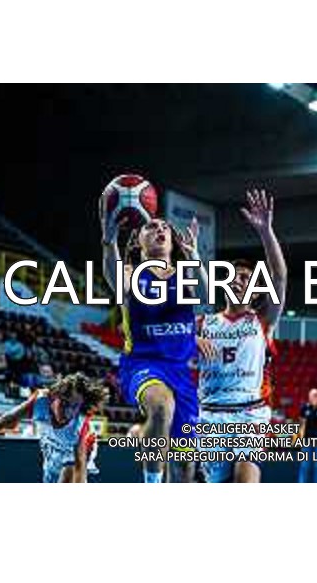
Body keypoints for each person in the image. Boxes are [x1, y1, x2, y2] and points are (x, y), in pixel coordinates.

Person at [100, 192, 208, 483]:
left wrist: (194, 256)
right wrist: (109, 241)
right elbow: (115, 280)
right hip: (143, 363)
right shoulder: (131, 272)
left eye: (164, 228)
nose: (160, 229)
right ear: (138, 241)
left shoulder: (184, 274)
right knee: (161, 406)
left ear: (173, 241)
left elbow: (205, 296)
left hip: (181, 371)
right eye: (151, 227)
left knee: (184, 467)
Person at [197, 189, 287, 483]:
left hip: (251, 412)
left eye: (245, 278)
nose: (237, 280)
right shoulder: (204, 322)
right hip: (211, 413)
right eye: (233, 276)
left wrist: (265, 232)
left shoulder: (263, 320)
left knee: (245, 480)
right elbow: (166, 337)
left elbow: (280, 277)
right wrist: (191, 339)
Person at [0, 372, 108, 483]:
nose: (68, 412)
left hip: (79, 451)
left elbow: (80, 467)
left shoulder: (79, 425)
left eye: (74, 406)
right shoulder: (39, 403)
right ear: (54, 396)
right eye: (64, 403)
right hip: (52, 448)